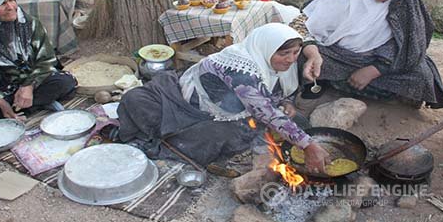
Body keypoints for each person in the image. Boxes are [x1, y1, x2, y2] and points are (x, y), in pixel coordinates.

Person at [118, 23, 330, 172]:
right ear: (265, 48)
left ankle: (182, 136)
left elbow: (270, 96)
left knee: (297, 122)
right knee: (136, 101)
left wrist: (285, 102)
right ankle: (162, 140)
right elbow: (265, 110)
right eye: (284, 54)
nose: (291, 60)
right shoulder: (240, 68)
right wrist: (308, 146)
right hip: (179, 102)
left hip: (228, 111)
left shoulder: (267, 61)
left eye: (295, 53)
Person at [295, 0, 443, 108]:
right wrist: (314, 55)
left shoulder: (405, 1)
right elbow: (300, 26)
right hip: (336, 55)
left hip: (379, 58)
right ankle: (326, 82)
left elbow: (412, 43)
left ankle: (338, 83)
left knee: (421, 75)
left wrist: (375, 69)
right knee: (302, 56)